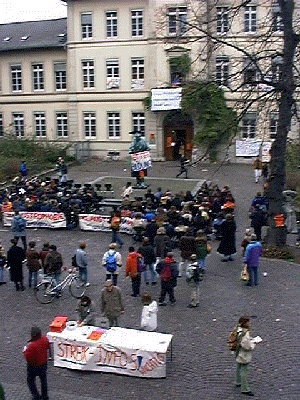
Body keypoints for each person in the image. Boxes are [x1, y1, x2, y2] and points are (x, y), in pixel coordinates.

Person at [23, 326, 50, 400]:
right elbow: (48, 346)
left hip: (34, 366)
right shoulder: (45, 338)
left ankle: (36, 396)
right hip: (44, 363)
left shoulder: (32, 345)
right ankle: (45, 396)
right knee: (43, 380)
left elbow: (28, 357)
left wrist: (25, 351)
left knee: (30, 381)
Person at [235, 316, 259, 396]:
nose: (250, 323)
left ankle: (238, 381)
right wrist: (254, 344)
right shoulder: (245, 333)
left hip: (237, 351)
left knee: (238, 366)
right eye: (249, 322)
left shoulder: (237, 328)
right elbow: (247, 347)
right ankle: (245, 388)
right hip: (243, 353)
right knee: (244, 369)